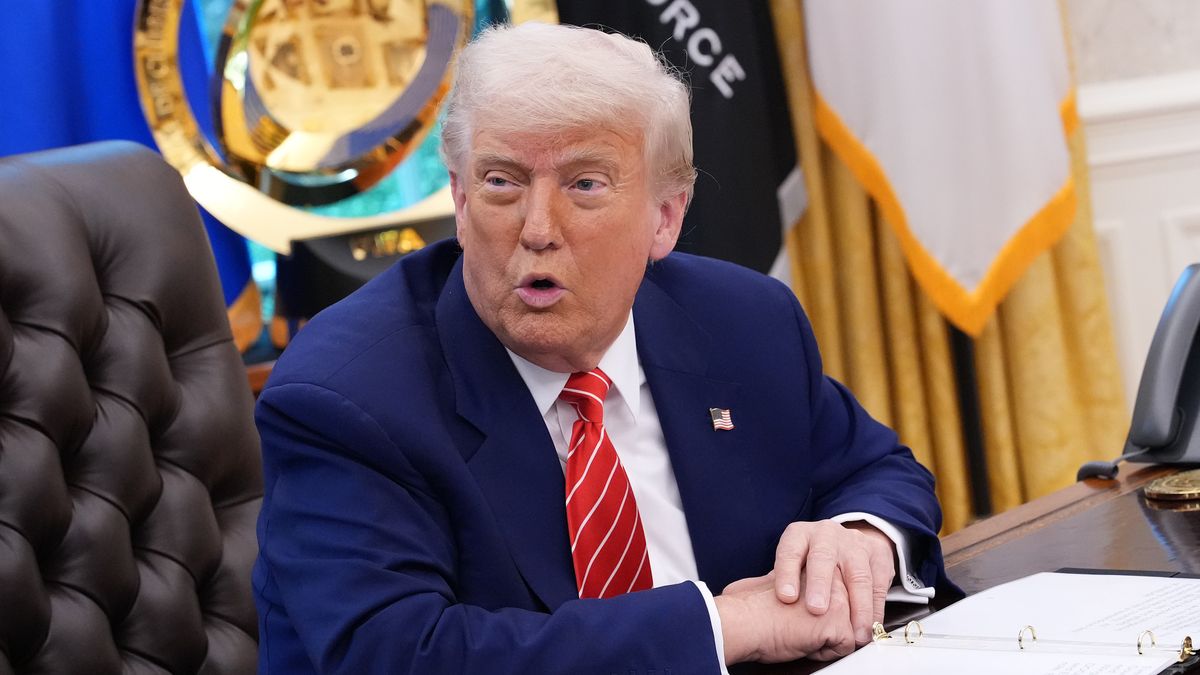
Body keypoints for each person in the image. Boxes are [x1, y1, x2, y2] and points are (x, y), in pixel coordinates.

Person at [253, 21, 958, 674]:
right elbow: (402, 654)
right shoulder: (345, 399)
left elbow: (876, 469)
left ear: (665, 218)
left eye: (585, 184)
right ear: (461, 202)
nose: (537, 229)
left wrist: (859, 538)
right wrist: (725, 626)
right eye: (502, 182)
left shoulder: (743, 321)